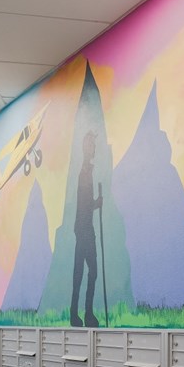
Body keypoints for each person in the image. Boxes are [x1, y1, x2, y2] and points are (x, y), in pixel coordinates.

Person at [70, 131, 103, 328]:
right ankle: (83, 313)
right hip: (83, 229)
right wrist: (96, 203)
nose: (93, 148)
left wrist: (95, 204)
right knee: (85, 272)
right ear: (84, 147)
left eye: (93, 145)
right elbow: (83, 205)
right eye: (90, 144)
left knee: (83, 272)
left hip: (85, 228)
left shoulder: (87, 170)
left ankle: (82, 313)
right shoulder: (84, 172)